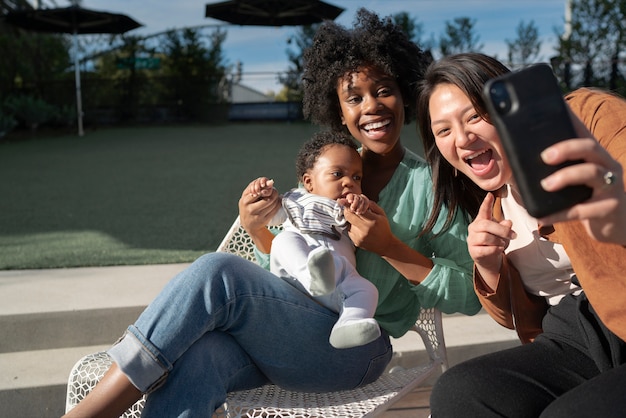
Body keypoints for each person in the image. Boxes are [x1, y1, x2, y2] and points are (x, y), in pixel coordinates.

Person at [63, 10, 480, 418]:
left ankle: (93, 412)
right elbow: (286, 266)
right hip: (289, 330)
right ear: (338, 110)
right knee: (200, 359)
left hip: (356, 352)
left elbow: (470, 291)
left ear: (405, 93)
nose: (371, 106)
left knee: (217, 273)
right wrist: (257, 229)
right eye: (354, 97)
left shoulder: (430, 186)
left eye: (384, 90)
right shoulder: (323, 172)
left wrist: (388, 247)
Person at [416, 52, 626, 417]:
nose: (462, 138)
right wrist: (489, 267)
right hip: (576, 333)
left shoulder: (586, 119)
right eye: (444, 130)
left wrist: (615, 198)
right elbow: (519, 320)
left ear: (504, 105)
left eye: (473, 116)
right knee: (458, 393)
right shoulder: (494, 205)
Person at [252, 130, 381, 349]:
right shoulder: (297, 200)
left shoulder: (351, 208)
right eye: (338, 174)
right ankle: (310, 274)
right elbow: (271, 217)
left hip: (337, 279)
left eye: (356, 177)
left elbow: (368, 228)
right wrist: (264, 195)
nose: (349, 182)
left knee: (367, 289)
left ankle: (348, 324)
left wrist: (362, 208)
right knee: (284, 241)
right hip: (295, 278)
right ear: (309, 182)